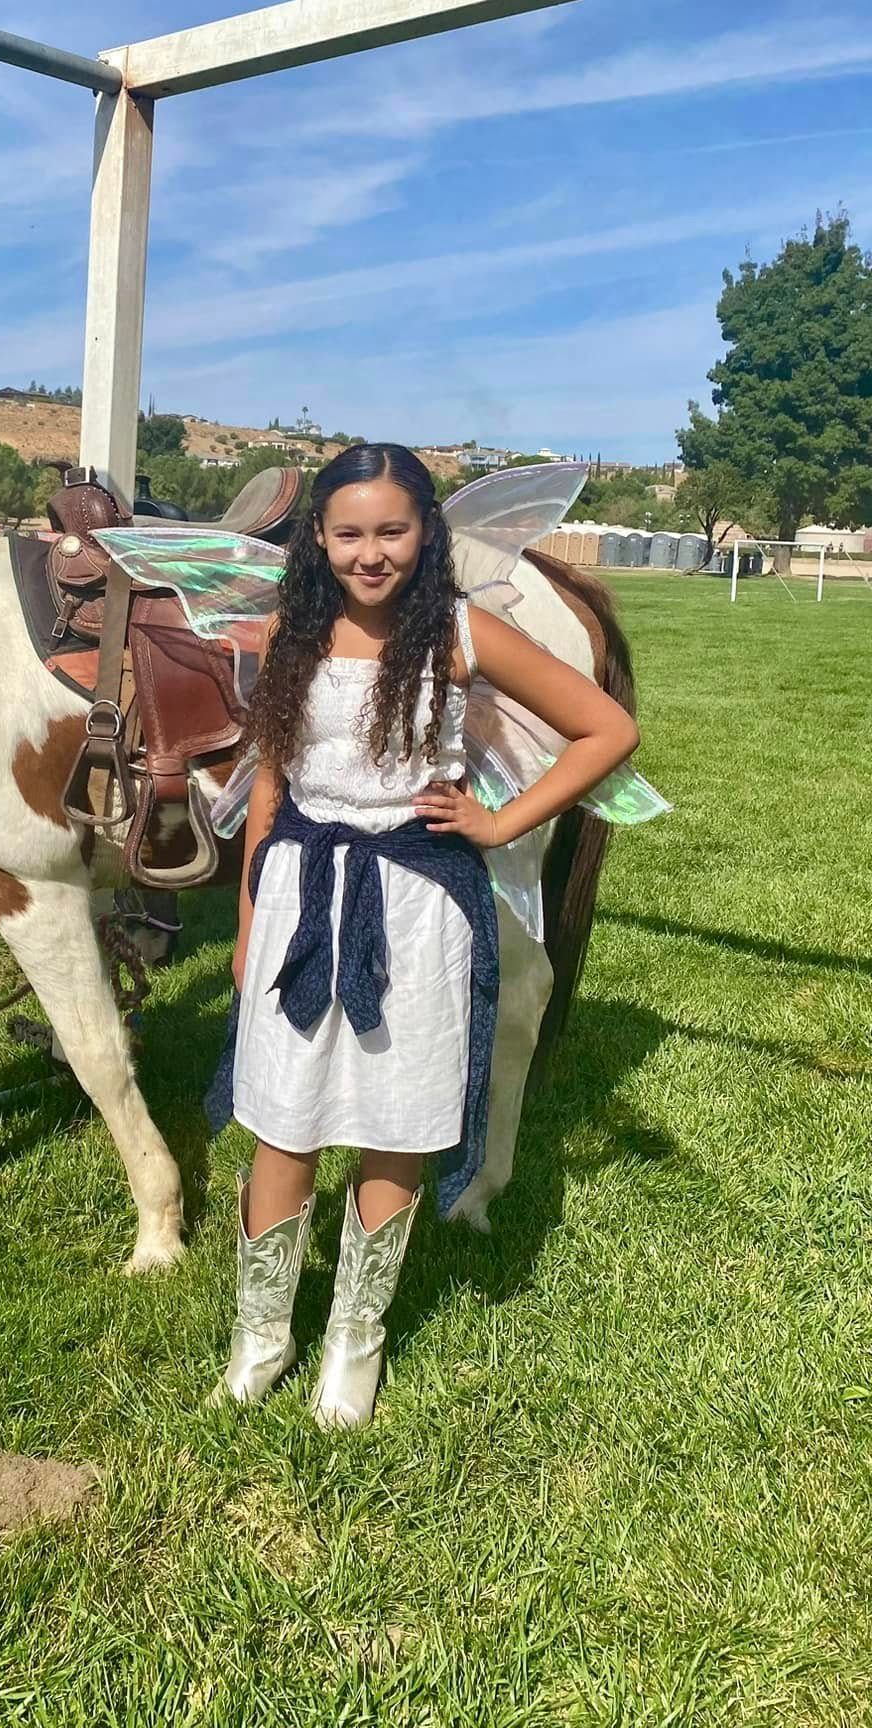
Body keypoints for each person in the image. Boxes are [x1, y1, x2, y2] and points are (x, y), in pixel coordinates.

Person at [220, 442, 639, 1427]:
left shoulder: (460, 632)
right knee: (284, 1117)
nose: (371, 553)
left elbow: (606, 730)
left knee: (393, 1120)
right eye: (349, 532)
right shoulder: (293, 634)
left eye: (393, 531)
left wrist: (498, 822)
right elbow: (269, 790)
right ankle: (261, 1333)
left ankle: (354, 1344)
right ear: (317, 539)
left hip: (416, 898)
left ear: (427, 533)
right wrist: (246, 922)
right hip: (299, 890)